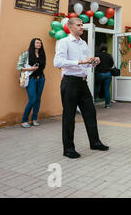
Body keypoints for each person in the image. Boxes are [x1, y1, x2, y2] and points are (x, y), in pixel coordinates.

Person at [53, 18, 109, 159]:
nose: (81, 27)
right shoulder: (63, 42)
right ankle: (68, 148)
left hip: (82, 83)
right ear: (70, 27)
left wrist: (93, 62)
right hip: (69, 82)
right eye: (78, 25)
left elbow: (85, 65)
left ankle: (95, 142)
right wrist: (79, 61)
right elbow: (57, 62)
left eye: (82, 25)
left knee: (90, 112)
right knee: (69, 116)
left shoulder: (83, 43)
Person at [17, 38, 46, 128]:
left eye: (40, 43)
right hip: (31, 79)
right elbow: (19, 67)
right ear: (33, 44)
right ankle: (24, 120)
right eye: (37, 43)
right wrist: (30, 69)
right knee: (33, 99)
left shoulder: (42, 54)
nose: (39, 44)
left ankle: (34, 119)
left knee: (38, 99)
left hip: (41, 78)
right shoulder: (26, 54)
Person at [94, 43, 114, 109]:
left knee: (96, 87)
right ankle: (107, 104)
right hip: (108, 74)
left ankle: (93, 101)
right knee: (107, 89)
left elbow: (94, 63)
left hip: (99, 73)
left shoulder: (97, 55)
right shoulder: (109, 55)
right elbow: (112, 64)